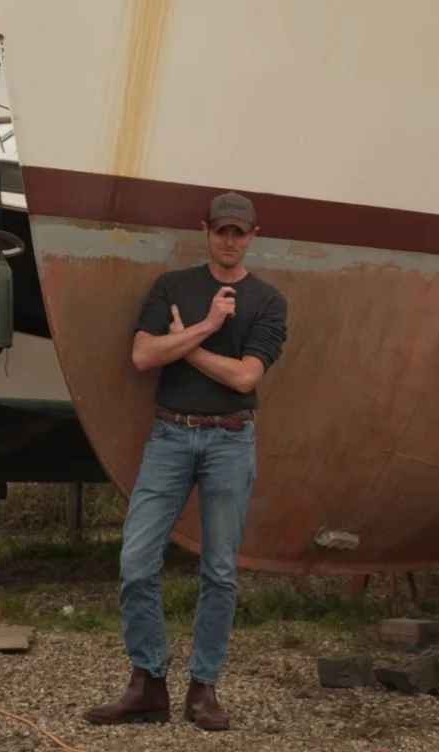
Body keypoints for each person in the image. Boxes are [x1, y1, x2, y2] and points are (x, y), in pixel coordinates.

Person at [82, 191, 288, 732]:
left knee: (220, 570)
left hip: (230, 440)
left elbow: (246, 378)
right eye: (221, 230)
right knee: (135, 561)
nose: (229, 240)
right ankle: (148, 684)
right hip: (170, 436)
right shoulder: (173, 286)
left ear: (253, 236)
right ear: (205, 231)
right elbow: (143, 355)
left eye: (239, 232)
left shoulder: (269, 301)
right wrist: (207, 327)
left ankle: (204, 689)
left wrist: (185, 343)